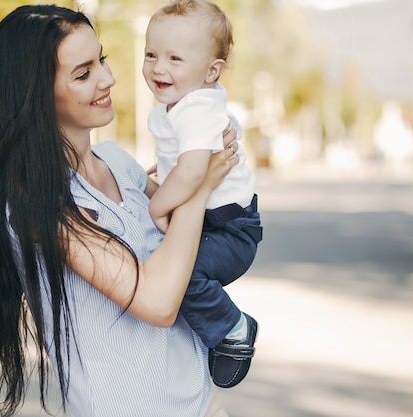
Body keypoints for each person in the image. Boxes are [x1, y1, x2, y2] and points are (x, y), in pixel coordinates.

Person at [0, 4, 240, 417]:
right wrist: (199, 185)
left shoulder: (119, 162)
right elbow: (157, 301)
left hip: (204, 404)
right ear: (35, 93)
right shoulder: (34, 205)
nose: (108, 79)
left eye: (102, 60)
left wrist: (199, 156)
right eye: (83, 73)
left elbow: (187, 238)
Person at [142, 0, 263, 388]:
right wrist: (163, 169)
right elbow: (184, 160)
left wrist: (159, 201)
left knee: (186, 274)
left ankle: (233, 327)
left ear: (212, 71)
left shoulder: (196, 107)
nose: (159, 67)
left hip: (229, 229)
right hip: (212, 223)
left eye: (175, 58)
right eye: (151, 54)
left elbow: (194, 170)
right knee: (175, 269)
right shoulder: (181, 106)